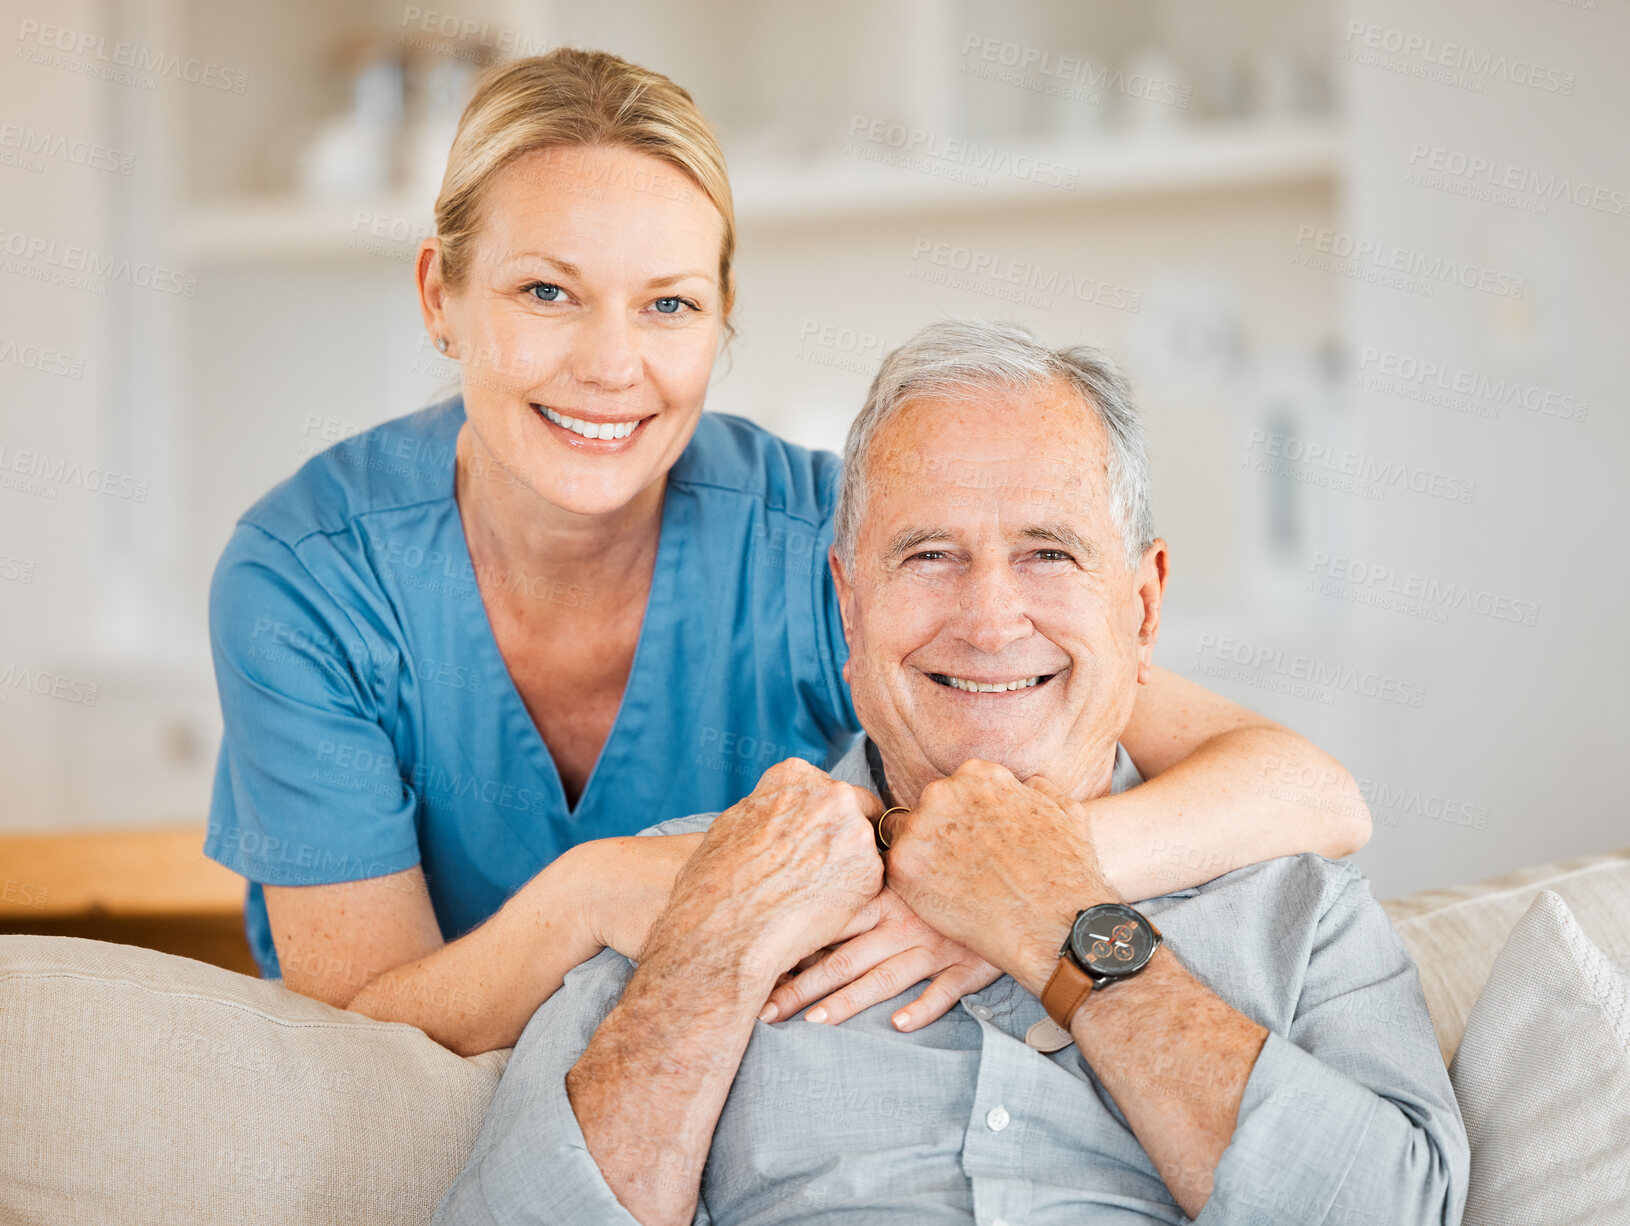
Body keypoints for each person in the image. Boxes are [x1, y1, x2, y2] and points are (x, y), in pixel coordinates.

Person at [203, 49, 1372, 1058]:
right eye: (548, 291)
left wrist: (1025, 887)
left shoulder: (819, 539)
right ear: (440, 295)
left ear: (720, 321)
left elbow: (1308, 789)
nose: (612, 365)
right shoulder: (305, 579)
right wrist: (585, 897)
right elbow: (358, 1032)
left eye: (666, 305)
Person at [435, 320, 1466, 1226]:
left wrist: (1068, 925)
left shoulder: (1295, 907)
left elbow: (1396, 1209)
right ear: (848, 604)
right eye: (927, 554)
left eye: (1047, 553)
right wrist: (706, 964)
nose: (986, 619)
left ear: (1143, 605)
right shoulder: (690, 891)